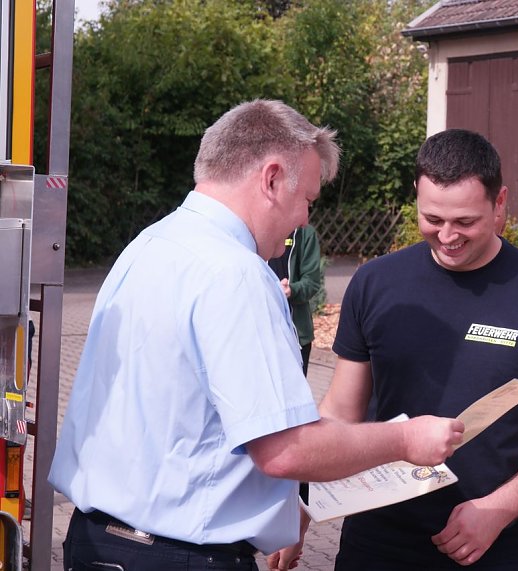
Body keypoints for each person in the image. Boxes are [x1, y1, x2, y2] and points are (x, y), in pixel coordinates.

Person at [47, 99, 464, 570]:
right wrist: (406, 441)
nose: (304, 220)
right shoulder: (236, 273)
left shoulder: (149, 245)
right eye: (307, 199)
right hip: (179, 555)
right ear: (270, 180)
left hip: (98, 544)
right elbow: (285, 449)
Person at [312, 129, 518, 570]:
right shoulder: (375, 284)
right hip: (378, 543)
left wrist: (498, 509)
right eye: (433, 219)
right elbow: (340, 412)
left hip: (496, 545)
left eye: (465, 222)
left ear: (500, 202)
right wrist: (301, 502)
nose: (447, 236)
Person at [268, 224, 322, 375]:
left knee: (295, 396)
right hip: (263, 333)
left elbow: (312, 282)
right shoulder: (260, 227)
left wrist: (291, 290)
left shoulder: (305, 233)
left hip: (296, 333)